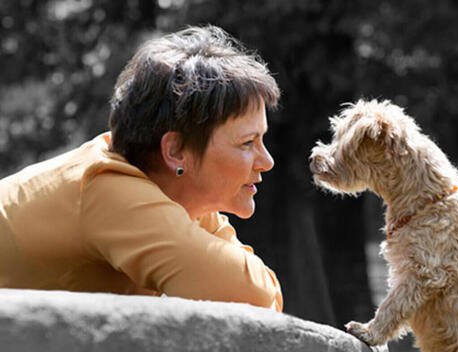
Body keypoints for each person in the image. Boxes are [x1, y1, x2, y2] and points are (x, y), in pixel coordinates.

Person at [0, 25, 283, 312]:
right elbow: (249, 293)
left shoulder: (184, 201)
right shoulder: (108, 189)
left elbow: (265, 299)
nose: (267, 161)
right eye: (248, 143)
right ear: (175, 151)